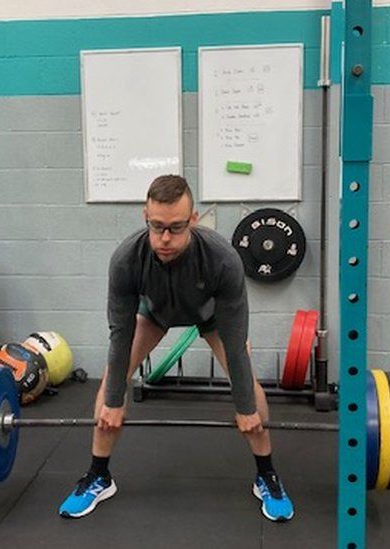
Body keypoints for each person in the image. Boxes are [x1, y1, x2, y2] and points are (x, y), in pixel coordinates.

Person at [58, 174, 294, 522]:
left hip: (212, 317)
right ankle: (98, 475)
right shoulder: (126, 259)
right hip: (154, 314)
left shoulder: (223, 260)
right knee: (113, 378)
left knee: (246, 382)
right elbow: (120, 336)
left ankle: (267, 474)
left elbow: (234, 338)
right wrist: (111, 403)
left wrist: (245, 408)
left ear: (193, 220)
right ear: (145, 217)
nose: (165, 237)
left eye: (176, 227)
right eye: (157, 227)